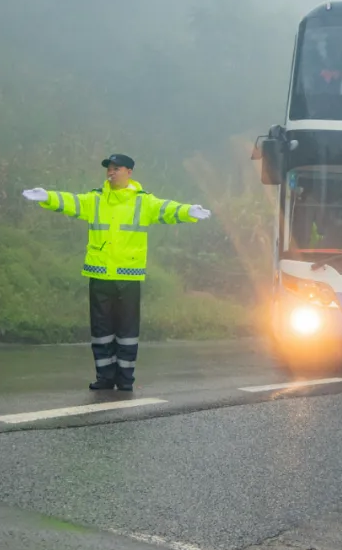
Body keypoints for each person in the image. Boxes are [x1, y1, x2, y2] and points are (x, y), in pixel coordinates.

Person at [21, 154, 211, 392]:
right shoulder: (96, 199)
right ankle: (104, 377)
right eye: (109, 169)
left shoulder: (144, 202)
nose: (111, 172)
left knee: (127, 331)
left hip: (128, 277)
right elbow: (72, 202)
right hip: (100, 274)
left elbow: (168, 209)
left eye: (116, 168)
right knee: (101, 331)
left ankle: (125, 379)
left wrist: (189, 211)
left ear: (129, 172)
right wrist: (47, 197)